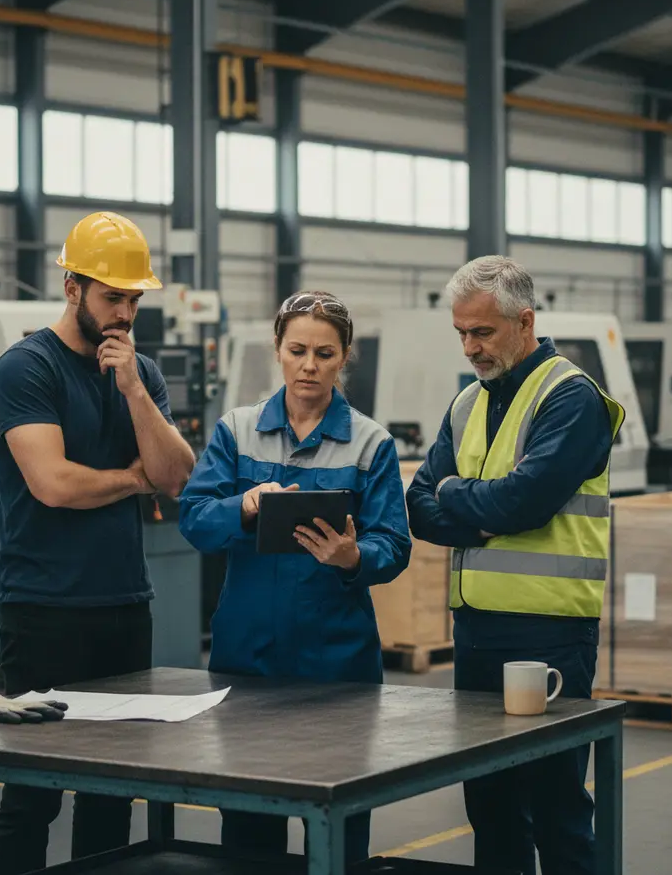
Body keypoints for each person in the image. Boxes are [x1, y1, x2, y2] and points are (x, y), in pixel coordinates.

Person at [0, 211, 196, 875]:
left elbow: (175, 477)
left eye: (134, 299)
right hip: (43, 607)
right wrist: (131, 479)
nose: (124, 313)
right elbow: (52, 484)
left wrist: (134, 388)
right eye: (112, 296)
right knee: (34, 790)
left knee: (111, 789)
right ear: (73, 287)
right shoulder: (26, 368)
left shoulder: (141, 373)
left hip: (123, 605)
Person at [405, 256, 624, 875]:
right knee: (491, 804)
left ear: (524, 322)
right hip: (476, 635)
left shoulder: (571, 398)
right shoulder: (465, 404)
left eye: (483, 333)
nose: (470, 347)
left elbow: (523, 502)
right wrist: (476, 505)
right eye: (462, 334)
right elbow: (419, 508)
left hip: (549, 636)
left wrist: (458, 495)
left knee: (556, 804)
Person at [178, 290, 411, 863]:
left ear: (345, 356)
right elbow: (195, 520)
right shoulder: (236, 432)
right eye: (298, 350)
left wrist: (353, 558)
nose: (310, 365)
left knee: (338, 831)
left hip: (337, 667)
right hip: (247, 662)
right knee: (249, 831)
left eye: (325, 354)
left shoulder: (369, 443)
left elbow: (394, 544)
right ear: (277, 350)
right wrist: (245, 505)